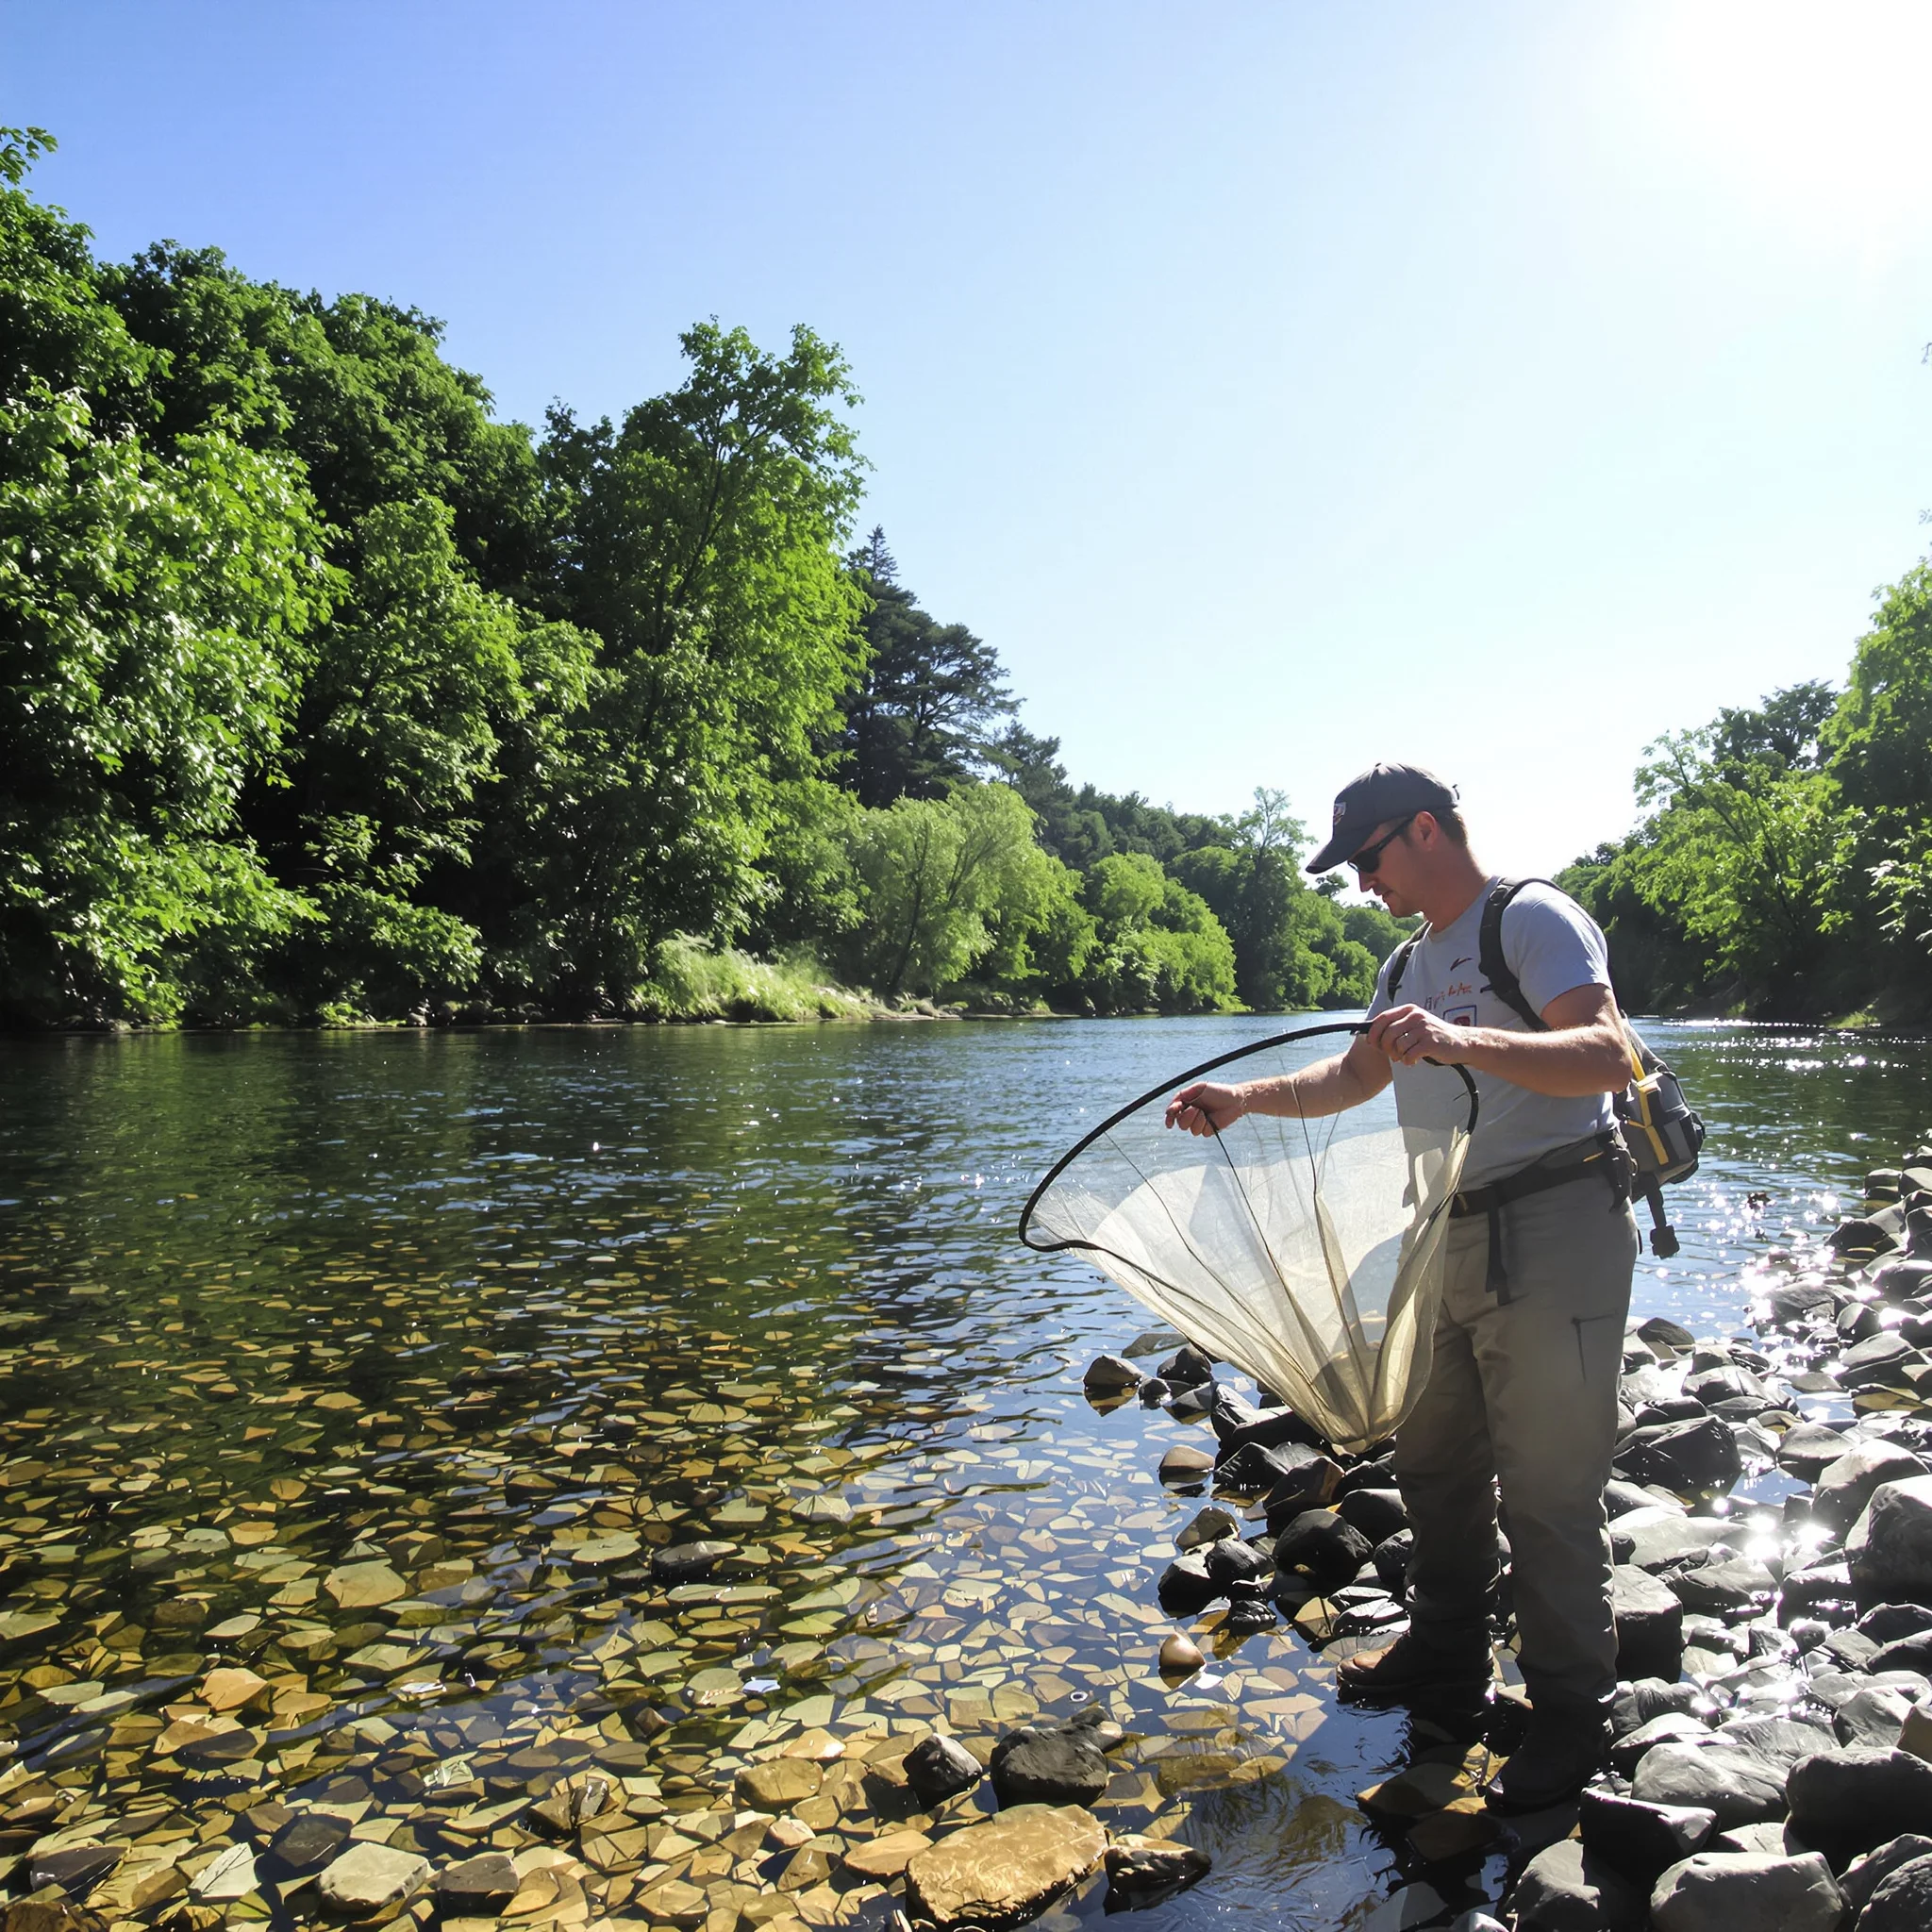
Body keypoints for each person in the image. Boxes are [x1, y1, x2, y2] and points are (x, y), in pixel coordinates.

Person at [1164, 761, 1639, 1813]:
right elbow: (1346, 1078)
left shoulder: (1530, 918)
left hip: (1558, 1218)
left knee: (1551, 1489)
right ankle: (1445, 1651)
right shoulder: (1400, 963)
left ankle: (1570, 1709)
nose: (1361, 881)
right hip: (1444, 1236)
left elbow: (1610, 1055)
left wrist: (1458, 1035)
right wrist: (1239, 1098)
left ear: (1423, 829)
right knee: (1431, 1459)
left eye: (1368, 858)